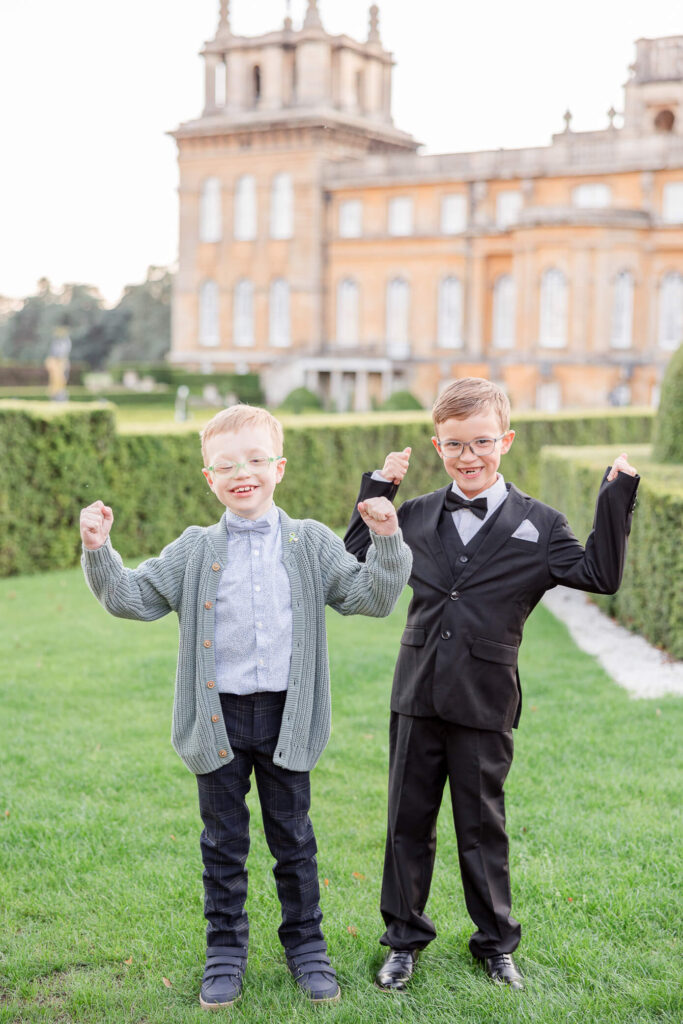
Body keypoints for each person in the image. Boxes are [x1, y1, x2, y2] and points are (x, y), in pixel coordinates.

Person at [80, 404, 412, 1010]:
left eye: (256, 461)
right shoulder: (192, 551)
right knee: (223, 843)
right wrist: (99, 550)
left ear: (277, 468)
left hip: (290, 716)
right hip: (217, 721)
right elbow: (132, 597)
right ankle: (225, 950)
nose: (243, 473)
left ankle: (307, 947)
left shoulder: (310, 543)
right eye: (227, 465)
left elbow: (372, 596)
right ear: (210, 478)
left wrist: (387, 539)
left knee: (294, 839)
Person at [344, 377, 639, 993]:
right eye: (454, 446)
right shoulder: (417, 514)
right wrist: (378, 492)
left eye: (481, 442)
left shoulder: (540, 524)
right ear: (437, 445)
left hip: (485, 699)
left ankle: (496, 945)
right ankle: (402, 941)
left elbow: (600, 573)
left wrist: (616, 495)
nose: (469, 457)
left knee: (482, 827)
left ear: (504, 440)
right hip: (417, 693)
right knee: (407, 821)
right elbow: (354, 563)